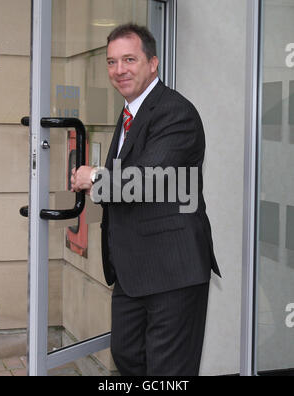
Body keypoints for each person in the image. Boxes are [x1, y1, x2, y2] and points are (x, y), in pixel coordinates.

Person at [71, 24, 221, 376]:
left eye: (129, 59)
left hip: (173, 271)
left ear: (153, 63)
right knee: (128, 359)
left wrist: (93, 176)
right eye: (111, 62)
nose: (119, 69)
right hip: (131, 271)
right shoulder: (129, 114)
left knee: (168, 372)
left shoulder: (174, 112)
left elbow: (144, 179)